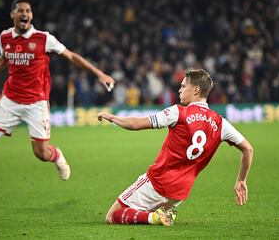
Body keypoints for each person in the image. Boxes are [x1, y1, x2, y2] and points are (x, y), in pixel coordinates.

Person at [0, 0, 115, 204]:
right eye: (21, 11)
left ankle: (56, 155)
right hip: (10, 99)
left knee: (41, 153)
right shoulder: (4, 37)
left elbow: (71, 56)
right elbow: (4, 59)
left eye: (28, 11)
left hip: (36, 102)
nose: (25, 14)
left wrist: (99, 73)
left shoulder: (43, 39)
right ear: (13, 15)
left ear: (31, 16)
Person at [97, 69, 253, 226]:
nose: (180, 90)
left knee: (112, 216)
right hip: (180, 193)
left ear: (196, 90)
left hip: (157, 182)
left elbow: (136, 124)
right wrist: (241, 180)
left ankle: (154, 218)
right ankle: (157, 215)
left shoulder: (178, 112)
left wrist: (112, 117)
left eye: (183, 86)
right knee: (144, 213)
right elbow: (248, 149)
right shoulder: (221, 123)